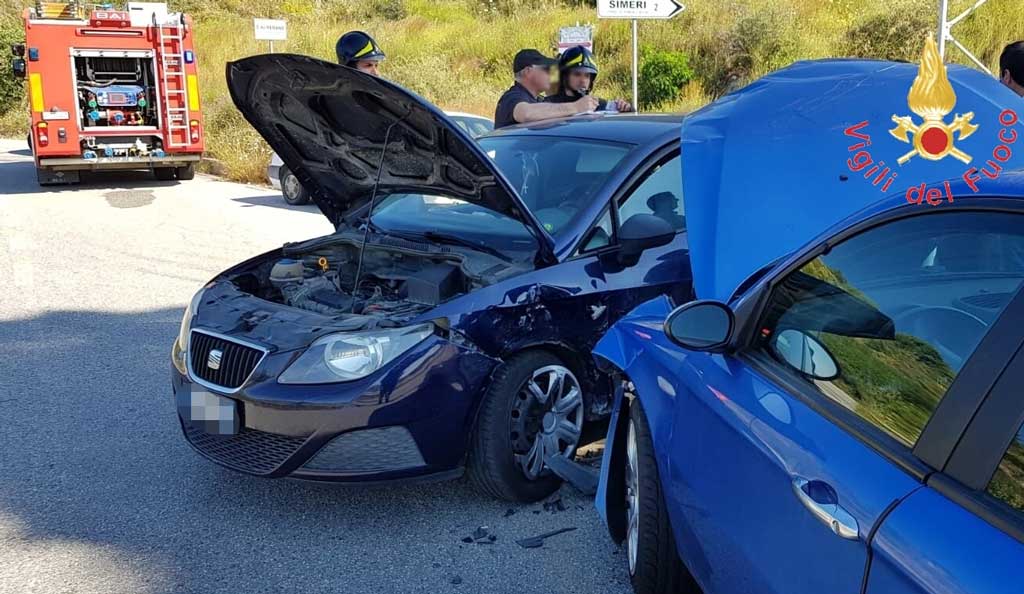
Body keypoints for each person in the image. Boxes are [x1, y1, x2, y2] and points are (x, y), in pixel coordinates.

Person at [494, 49, 598, 129]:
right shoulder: (512, 97)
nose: (552, 75)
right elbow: (526, 114)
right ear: (528, 71)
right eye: (547, 69)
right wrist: (576, 107)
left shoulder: (537, 101)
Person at [546, 46, 632, 113]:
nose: (583, 80)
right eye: (577, 74)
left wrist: (626, 108)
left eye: (587, 76)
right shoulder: (547, 105)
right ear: (565, 76)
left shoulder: (600, 105)